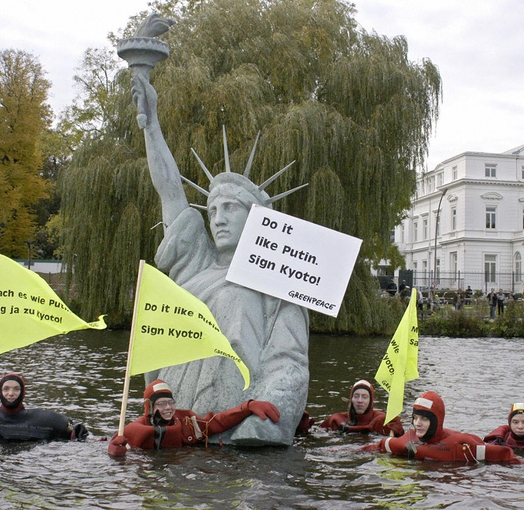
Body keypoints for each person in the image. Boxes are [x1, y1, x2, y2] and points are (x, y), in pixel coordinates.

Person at [130, 71, 309, 445]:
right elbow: (169, 189)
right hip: (177, 422)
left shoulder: (276, 283)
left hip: (234, 428)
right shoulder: (195, 265)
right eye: (212, 210)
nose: (219, 218)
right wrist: (152, 124)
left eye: (230, 208)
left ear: (257, 218)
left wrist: (263, 423)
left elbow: (288, 359)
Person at [108, 380, 280, 453]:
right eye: (161, 404)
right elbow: (119, 449)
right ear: (151, 408)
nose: (168, 408)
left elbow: (215, 423)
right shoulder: (134, 430)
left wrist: (247, 407)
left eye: (171, 402)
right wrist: (116, 454)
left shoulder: (185, 422)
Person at [363, 391, 518, 463]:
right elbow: (379, 446)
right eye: (415, 418)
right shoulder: (408, 438)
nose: (417, 423)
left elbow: (506, 455)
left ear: (436, 421)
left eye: (424, 419)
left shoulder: (460, 443)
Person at [0, 373, 88, 445]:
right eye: (6, 389)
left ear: (23, 393)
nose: (11, 394)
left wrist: (84, 437)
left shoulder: (45, 419)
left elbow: (76, 432)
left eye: (16, 389)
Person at [319, 380, 404, 436]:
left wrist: (393, 427)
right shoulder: (336, 420)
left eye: (364, 397)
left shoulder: (383, 421)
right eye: (356, 396)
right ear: (351, 399)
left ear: (371, 401)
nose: (360, 400)